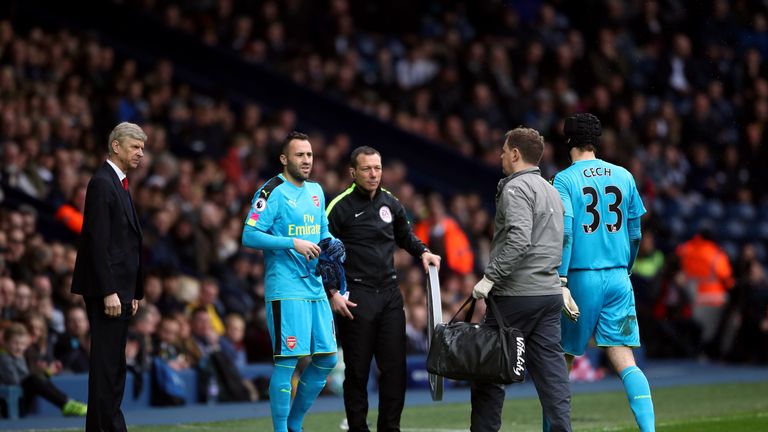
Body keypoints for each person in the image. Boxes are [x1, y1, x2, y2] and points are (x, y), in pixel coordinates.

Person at [325, 146, 441, 432]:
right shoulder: (338, 207)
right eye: (366, 169)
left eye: (377, 168)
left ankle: (390, 428)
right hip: (356, 296)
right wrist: (332, 293)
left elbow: (406, 236)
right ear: (353, 172)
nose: (373, 174)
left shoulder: (391, 202)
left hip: (390, 294)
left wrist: (424, 252)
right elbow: (324, 252)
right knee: (358, 372)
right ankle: (358, 428)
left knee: (395, 371)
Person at [552, 113, 655, 431]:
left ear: (568, 140)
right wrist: (626, 265)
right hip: (618, 277)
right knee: (625, 361)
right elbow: (635, 232)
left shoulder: (564, 179)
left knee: (560, 365)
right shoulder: (624, 176)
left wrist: (561, 278)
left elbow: (567, 232)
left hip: (581, 277)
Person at [470, 127, 571, 432]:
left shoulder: (515, 188)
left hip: (516, 296)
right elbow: (564, 237)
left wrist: (490, 277)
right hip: (549, 294)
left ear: (515, 154)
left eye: (503, 151)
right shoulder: (551, 190)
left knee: (488, 374)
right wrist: (560, 283)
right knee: (553, 377)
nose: (500, 156)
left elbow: (518, 239)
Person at [241, 131, 338, 432]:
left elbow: (323, 230)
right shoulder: (271, 191)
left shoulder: (317, 191)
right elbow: (249, 235)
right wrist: (291, 242)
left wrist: (333, 243)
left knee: (327, 359)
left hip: (315, 286)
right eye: (300, 155)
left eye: (309, 155)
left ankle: (295, 424)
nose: (306, 160)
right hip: (286, 288)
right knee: (288, 361)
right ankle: (283, 430)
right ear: (284, 159)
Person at [71, 121, 146, 432]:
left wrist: (136, 292)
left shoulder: (119, 183)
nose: (141, 153)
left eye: (142, 148)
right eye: (135, 147)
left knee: (113, 366)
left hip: (121, 292)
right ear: (116, 146)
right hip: (110, 293)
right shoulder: (103, 183)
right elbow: (96, 242)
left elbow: (126, 243)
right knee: (106, 367)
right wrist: (109, 292)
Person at [0, 323, 88, 417]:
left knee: (37, 379)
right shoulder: (4, 358)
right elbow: (15, 381)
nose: (19, 347)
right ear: (5, 342)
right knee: (33, 379)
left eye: (22, 344)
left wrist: (46, 373)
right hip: (8, 405)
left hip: (22, 401)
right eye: (15, 343)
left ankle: (68, 402)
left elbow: (28, 380)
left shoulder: (21, 356)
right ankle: (66, 403)